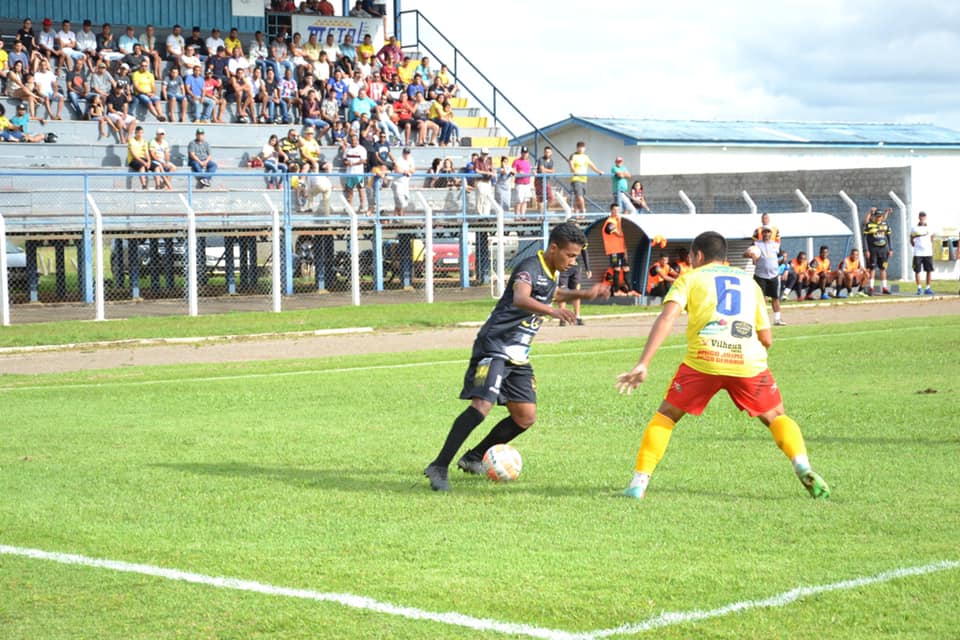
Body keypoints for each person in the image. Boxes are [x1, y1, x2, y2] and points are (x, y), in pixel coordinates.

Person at [616, 231, 831, 501]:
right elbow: (767, 338)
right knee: (776, 416)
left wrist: (643, 363)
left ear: (698, 256)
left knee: (667, 416)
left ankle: (638, 484)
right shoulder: (750, 283)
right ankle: (802, 465)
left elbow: (668, 317)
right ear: (725, 256)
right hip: (748, 361)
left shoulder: (689, 278)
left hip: (703, 359)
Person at [423, 222, 610, 491]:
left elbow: (550, 291)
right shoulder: (529, 267)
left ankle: (474, 457)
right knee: (481, 406)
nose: (572, 261)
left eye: (576, 256)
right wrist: (553, 311)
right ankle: (438, 466)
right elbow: (521, 298)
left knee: (525, 417)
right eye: (569, 255)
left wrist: (584, 293)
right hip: (495, 345)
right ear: (553, 247)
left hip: (518, 355)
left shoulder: (551, 271)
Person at [745, 225, 786, 325]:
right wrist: (751, 255)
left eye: (768, 232)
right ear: (761, 234)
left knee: (775, 298)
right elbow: (745, 254)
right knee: (760, 298)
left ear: (771, 234)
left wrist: (781, 262)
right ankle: (761, 320)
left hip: (773, 275)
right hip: (760, 275)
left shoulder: (776, 245)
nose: (766, 234)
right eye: (764, 232)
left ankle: (777, 319)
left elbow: (780, 258)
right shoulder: (756, 244)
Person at [556, 243, 592, 326]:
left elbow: (584, 251)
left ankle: (577, 316)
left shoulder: (580, 237)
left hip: (576, 268)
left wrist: (588, 268)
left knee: (576, 292)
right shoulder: (562, 235)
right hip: (563, 267)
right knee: (562, 292)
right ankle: (562, 318)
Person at [601, 203, 632, 295]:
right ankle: (616, 291)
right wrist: (618, 225)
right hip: (614, 250)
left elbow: (621, 237)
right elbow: (614, 231)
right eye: (614, 210)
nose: (616, 212)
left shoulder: (618, 220)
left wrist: (625, 249)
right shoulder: (611, 221)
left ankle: (631, 290)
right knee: (617, 269)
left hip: (621, 249)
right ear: (611, 210)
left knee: (626, 268)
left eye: (618, 210)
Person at [863, 207, 893, 295]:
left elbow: (889, 237)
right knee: (872, 269)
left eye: (880, 216)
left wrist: (891, 249)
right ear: (874, 216)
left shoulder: (885, 225)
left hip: (884, 250)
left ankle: (884, 288)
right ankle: (871, 288)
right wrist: (866, 250)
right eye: (877, 216)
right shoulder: (869, 225)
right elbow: (864, 239)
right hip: (873, 250)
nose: (878, 218)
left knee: (883, 268)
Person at [568, 141, 603, 214]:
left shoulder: (585, 157)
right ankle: (583, 210)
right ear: (577, 148)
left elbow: (591, 165)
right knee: (579, 196)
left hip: (584, 179)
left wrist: (598, 171)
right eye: (579, 148)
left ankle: (576, 212)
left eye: (582, 148)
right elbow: (571, 166)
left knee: (578, 197)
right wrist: (575, 171)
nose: (581, 149)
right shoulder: (573, 156)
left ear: (584, 148)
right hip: (576, 179)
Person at [341, 132, 368, 212]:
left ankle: (362, 205)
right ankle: (349, 207)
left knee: (360, 189)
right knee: (349, 190)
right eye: (352, 140)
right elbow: (344, 159)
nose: (353, 141)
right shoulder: (347, 149)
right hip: (349, 173)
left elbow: (363, 160)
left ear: (357, 141)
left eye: (355, 140)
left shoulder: (361, 149)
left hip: (358, 173)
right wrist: (346, 163)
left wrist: (353, 163)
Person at [910, 211, 935, 295]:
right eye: (921, 217)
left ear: (926, 217)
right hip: (918, 253)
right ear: (919, 217)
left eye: (923, 217)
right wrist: (914, 245)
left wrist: (928, 246)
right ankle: (919, 288)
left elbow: (932, 237)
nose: (922, 218)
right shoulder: (914, 228)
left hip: (928, 252)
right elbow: (911, 238)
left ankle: (928, 288)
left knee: (929, 270)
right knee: (917, 271)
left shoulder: (930, 227)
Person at [392, 147, 414, 217]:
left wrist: (408, 171)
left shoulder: (411, 159)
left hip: (405, 184)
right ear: (403, 153)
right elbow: (397, 169)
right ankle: (400, 218)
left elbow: (413, 169)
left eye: (407, 153)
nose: (406, 155)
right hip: (398, 183)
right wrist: (405, 171)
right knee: (401, 202)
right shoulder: (399, 159)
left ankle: (396, 218)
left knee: (402, 202)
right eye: (405, 153)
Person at [511, 147, 533, 219]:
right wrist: (518, 172)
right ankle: (516, 216)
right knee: (519, 200)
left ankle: (523, 215)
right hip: (520, 183)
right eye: (523, 153)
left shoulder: (528, 162)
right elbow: (513, 171)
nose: (524, 154)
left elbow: (529, 171)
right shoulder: (516, 161)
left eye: (526, 153)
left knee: (525, 200)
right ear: (521, 153)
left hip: (527, 183)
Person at [126, 125, 150, 189]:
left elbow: (146, 153)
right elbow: (134, 155)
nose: (140, 134)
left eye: (141, 133)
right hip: (133, 160)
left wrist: (149, 161)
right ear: (135, 133)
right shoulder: (131, 141)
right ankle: (144, 185)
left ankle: (159, 185)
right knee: (142, 166)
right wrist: (144, 162)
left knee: (157, 166)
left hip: (142, 159)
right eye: (138, 133)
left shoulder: (144, 141)